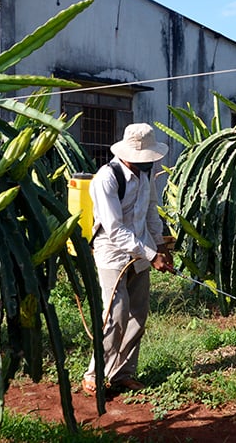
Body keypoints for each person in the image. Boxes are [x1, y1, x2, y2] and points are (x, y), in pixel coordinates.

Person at [82, 123, 173, 395]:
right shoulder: (106, 178)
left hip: (142, 252)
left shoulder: (146, 174)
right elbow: (114, 229)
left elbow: (151, 214)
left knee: (137, 315)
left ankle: (122, 373)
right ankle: (95, 374)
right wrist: (151, 253)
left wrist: (160, 246)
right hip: (112, 254)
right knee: (116, 314)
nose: (146, 164)